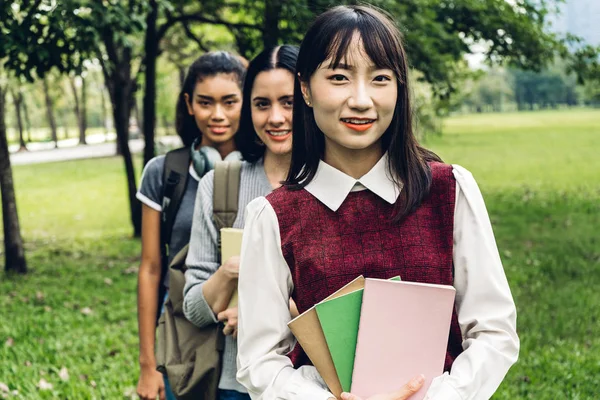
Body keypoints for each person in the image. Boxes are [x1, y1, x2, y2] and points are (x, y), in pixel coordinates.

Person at [236, 5, 519, 400]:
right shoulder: (274, 216)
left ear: (399, 88)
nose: (361, 100)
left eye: (380, 78)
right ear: (305, 88)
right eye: (339, 77)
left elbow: (494, 331)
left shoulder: (448, 190)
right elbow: (259, 360)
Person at [182, 45, 299, 400]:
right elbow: (195, 308)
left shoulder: (337, 182)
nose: (275, 117)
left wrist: (258, 313)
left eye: (289, 102)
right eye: (262, 104)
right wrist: (232, 270)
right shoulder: (219, 184)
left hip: (317, 381)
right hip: (238, 385)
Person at [136, 51, 246, 400]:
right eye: (205, 102)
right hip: (183, 329)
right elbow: (151, 269)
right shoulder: (165, 172)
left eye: (230, 102)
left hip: (246, 332)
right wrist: (147, 365)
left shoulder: (266, 169)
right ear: (189, 103)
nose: (218, 115)